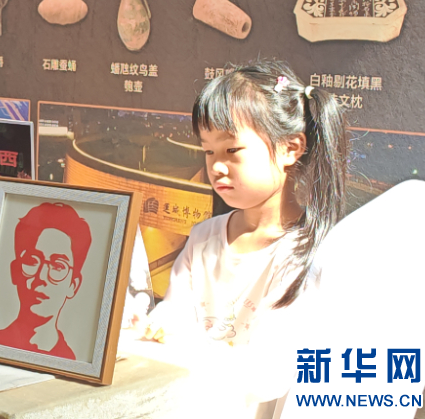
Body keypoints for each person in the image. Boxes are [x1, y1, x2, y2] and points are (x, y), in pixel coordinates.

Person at [144, 59, 348, 347]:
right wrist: (156, 324)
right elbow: (173, 313)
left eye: (231, 149)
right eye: (208, 151)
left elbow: (274, 358)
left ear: (290, 148)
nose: (216, 166)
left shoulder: (309, 253)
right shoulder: (203, 237)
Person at [0, 202, 91, 359]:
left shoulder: (71, 361)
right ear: (15, 271)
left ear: (73, 285)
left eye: (58, 266)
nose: (41, 277)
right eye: (32, 261)